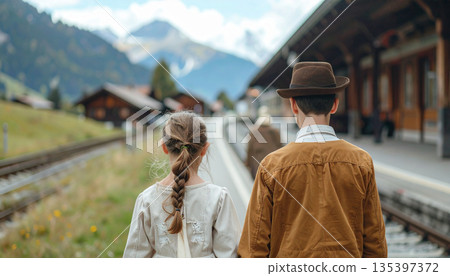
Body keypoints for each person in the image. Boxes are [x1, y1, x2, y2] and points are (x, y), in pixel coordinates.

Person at [238, 62, 387, 258]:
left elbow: (254, 246)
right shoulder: (361, 161)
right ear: (334, 105)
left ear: (293, 105)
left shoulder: (272, 165)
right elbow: (375, 242)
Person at [124, 111, 241, 258]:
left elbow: (134, 259)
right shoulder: (219, 199)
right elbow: (229, 258)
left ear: (165, 148)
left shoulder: (146, 199)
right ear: (204, 149)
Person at [246, 106, 282, 178]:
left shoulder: (254, 133)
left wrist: (248, 165)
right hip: (274, 170)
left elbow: (250, 151)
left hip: (258, 170)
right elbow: (281, 150)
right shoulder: (276, 132)